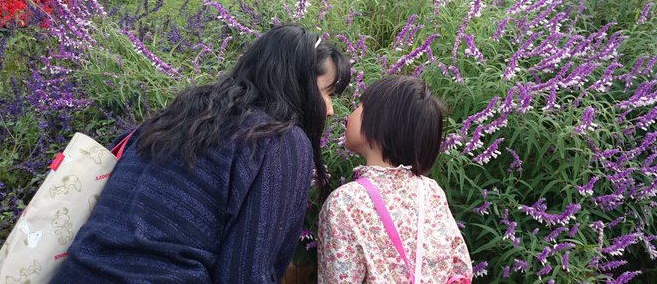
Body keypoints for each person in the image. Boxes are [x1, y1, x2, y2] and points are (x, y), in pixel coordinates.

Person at [51, 24, 351, 283]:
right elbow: (245, 272)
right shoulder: (279, 139)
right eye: (326, 92)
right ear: (296, 83)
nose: (329, 109)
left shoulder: (179, 115)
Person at [317, 76, 472, 283]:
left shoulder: (345, 204)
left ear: (379, 123)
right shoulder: (431, 191)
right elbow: (461, 268)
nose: (348, 115)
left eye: (359, 107)